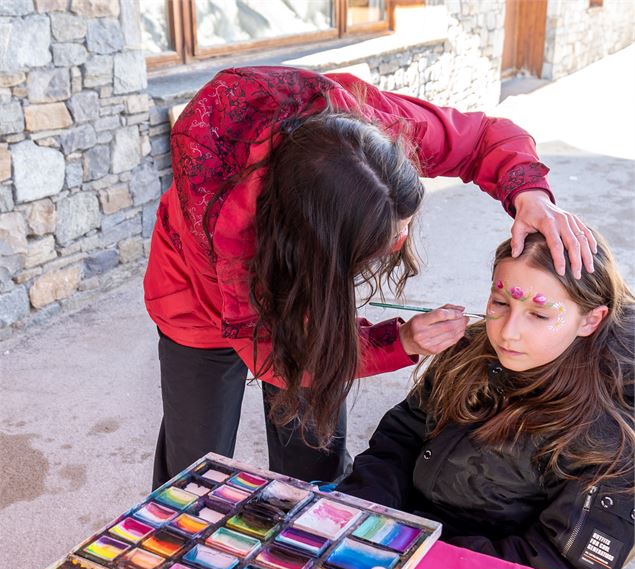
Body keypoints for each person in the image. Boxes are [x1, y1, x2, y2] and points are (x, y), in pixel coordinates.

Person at [144, 65, 597, 490]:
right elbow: (288, 359)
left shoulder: (366, 124)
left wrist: (530, 193)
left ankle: (314, 524)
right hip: (190, 296)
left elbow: (481, 136)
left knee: (312, 447)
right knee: (193, 468)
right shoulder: (223, 228)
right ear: (320, 245)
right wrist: (402, 343)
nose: (401, 242)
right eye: (383, 235)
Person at [336, 231, 634, 569]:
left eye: (538, 314)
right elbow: (401, 437)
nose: (508, 333)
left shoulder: (611, 431)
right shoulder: (471, 350)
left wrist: (419, 553)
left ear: (591, 320)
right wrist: (367, 511)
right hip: (400, 544)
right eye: (500, 302)